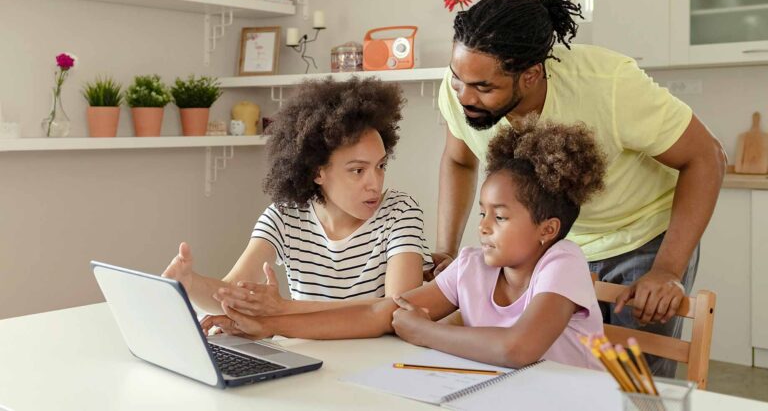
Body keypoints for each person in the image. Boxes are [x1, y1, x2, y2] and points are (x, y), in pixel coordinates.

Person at [430, 0, 726, 376]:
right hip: (553, 244)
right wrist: (446, 249)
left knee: (636, 383)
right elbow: (458, 160)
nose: (464, 97)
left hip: (640, 237)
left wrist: (667, 270)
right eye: (457, 79)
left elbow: (706, 158)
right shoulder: (464, 86)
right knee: (555, 370)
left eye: (484, 88)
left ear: (532, 75)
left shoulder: (608, 85)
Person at [202, 120, 607, 371]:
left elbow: (519, 348)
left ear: (547, 229)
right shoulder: (473, 266)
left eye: (499, 217)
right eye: (482, 212)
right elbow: (384, 311)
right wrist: (272, 324)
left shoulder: (563, 262)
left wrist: (424, 332)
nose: (482, 227)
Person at [163, 77, 432, 316]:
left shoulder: (399, 212)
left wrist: (284, 311)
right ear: (317, 172)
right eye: (358, 170)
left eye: (380, 166)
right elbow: (233, 292)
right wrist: (189, 283)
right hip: (309, 355)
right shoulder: (285, 216)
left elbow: (396, 309)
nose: (374, 183)